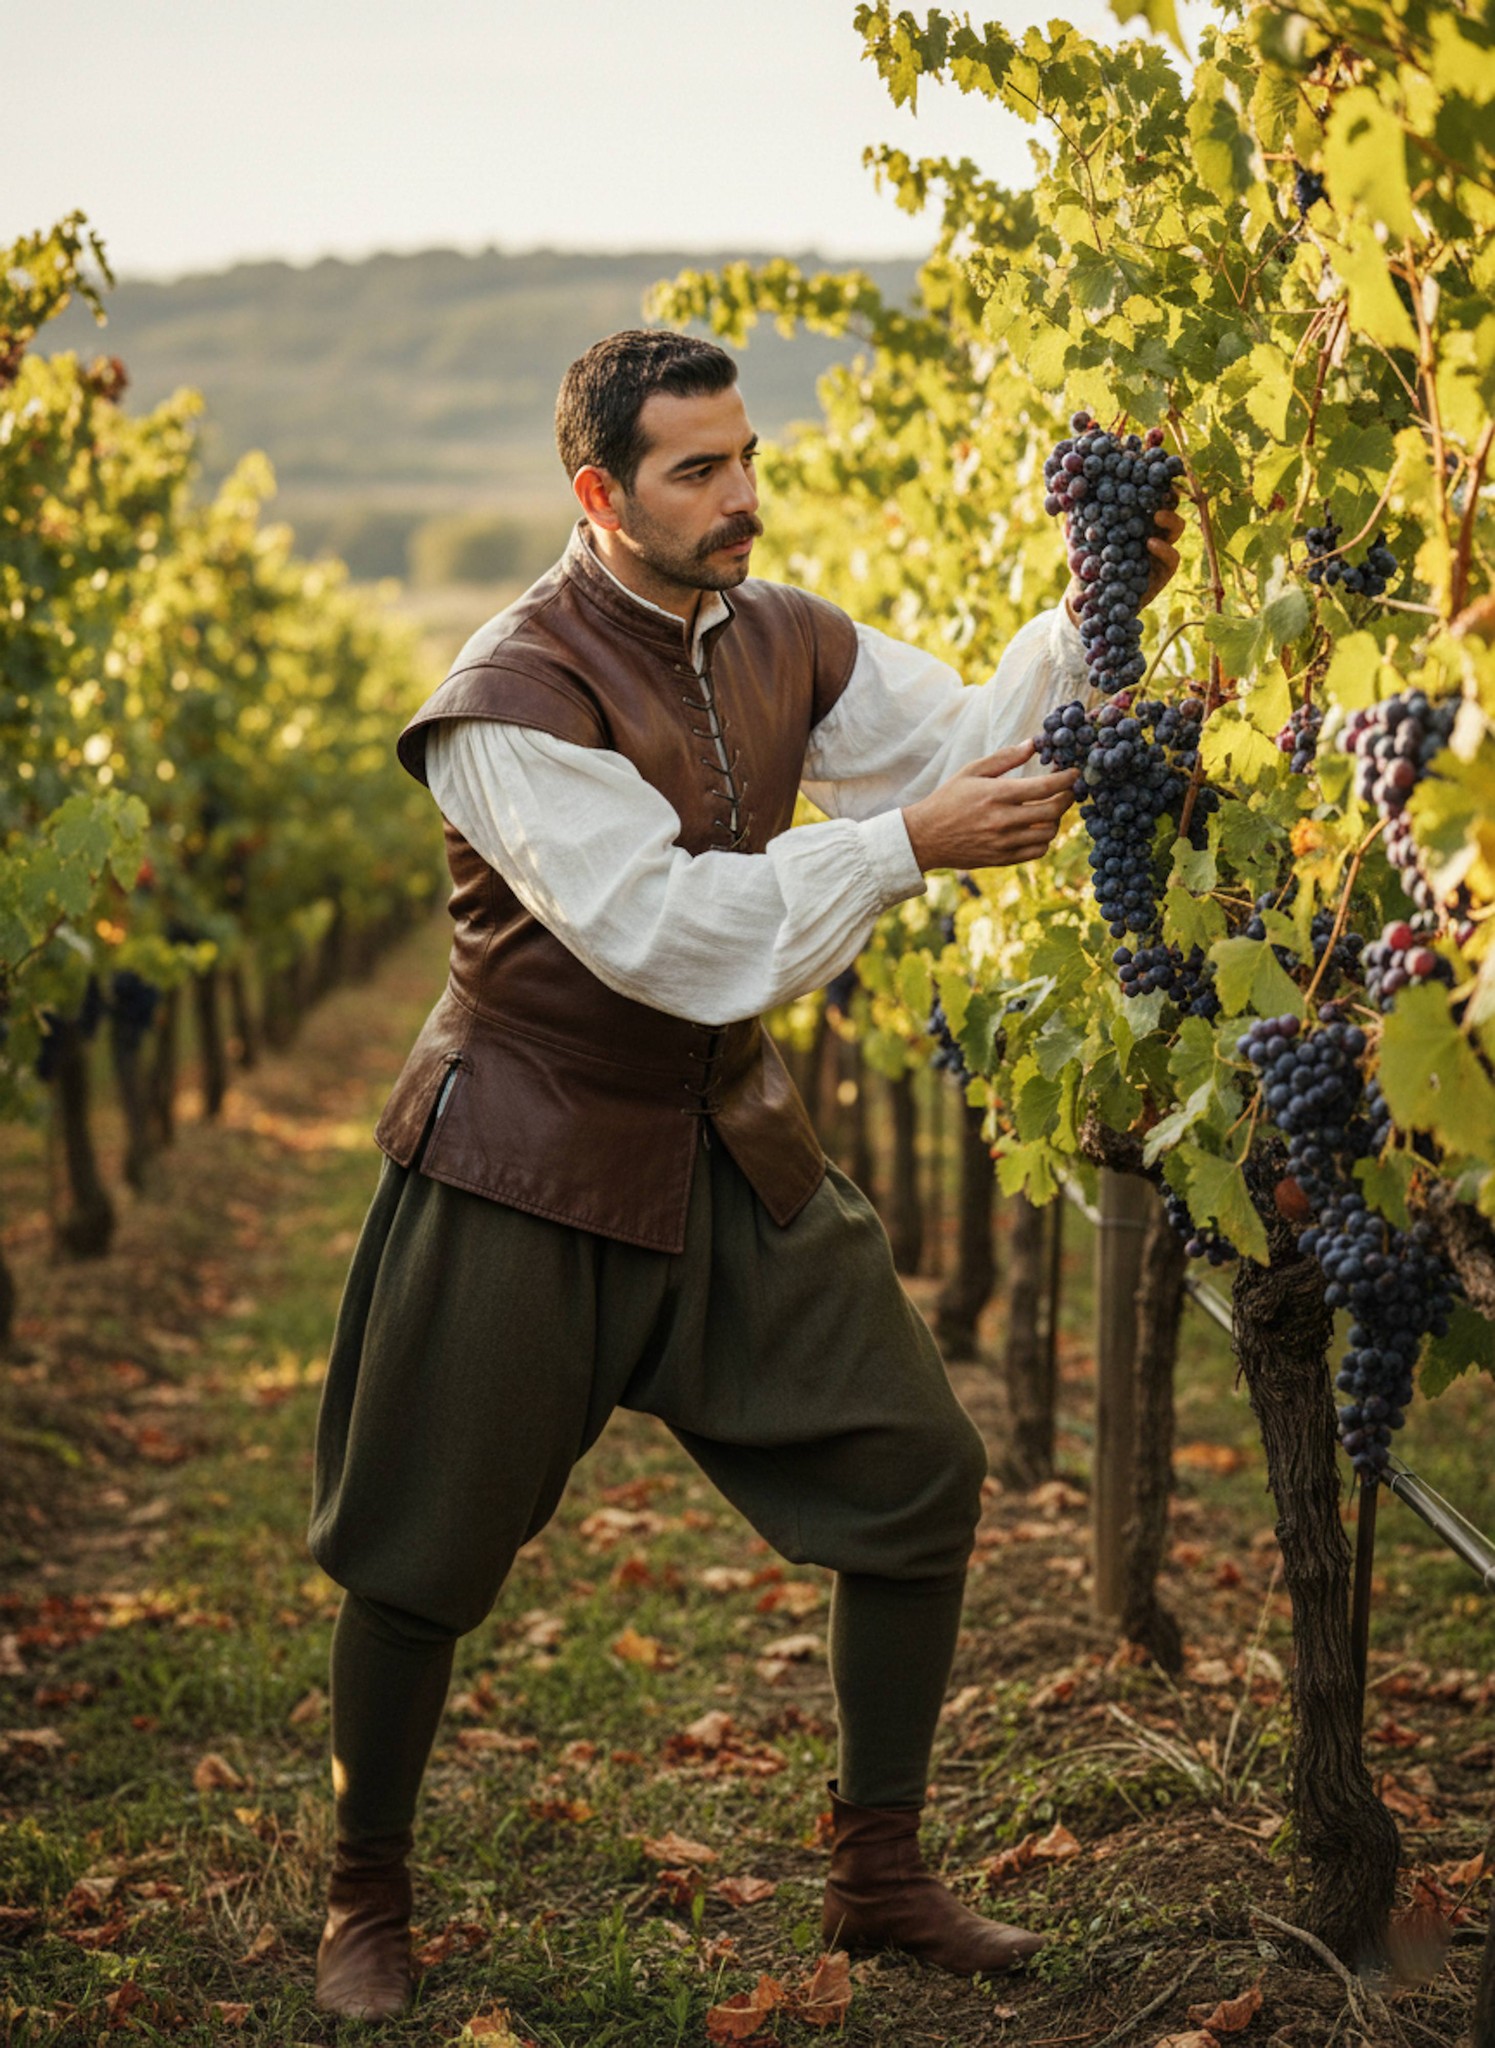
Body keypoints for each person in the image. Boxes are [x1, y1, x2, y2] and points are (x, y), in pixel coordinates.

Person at [306, 328, 1182, 2019]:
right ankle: (365, 1897)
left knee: (921, 1476)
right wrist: (901, 849)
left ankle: (876, 1871)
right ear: (597, 492)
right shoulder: (512, 691)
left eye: (747, 459)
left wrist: (1094, 605)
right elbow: (662, 936)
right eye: (698, 472)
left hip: (727, 1135)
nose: (743, 501)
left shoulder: (778, 636)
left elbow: (959, 745)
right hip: (526, 1152)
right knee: (414, 1551)